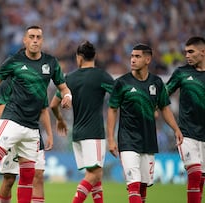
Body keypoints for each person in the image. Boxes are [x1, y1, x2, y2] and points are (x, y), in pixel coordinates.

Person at [0, 25, 72, 203]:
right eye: (32, 37)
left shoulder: (51, 63)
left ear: (42, 40)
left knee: (28, 177)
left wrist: (68, 95)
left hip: (32, 129)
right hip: (13, 120)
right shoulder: (14, 61)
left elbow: (63, 87)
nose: (35, 40)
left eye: (38, 37)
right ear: (25, 40)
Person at [107, 44, 183, 203]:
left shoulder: (156, 83)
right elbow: (112, 109)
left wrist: (176, 129)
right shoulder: (122, 82)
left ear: (148, 59)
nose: (133, 59)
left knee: (142, 187)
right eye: (132, 56)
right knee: (133, 185)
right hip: (127, 141)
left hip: (148, 141)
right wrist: (111, 139)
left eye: (137, 56)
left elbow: (164, 108)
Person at [50, 41, 114, 203]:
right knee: (96, 174)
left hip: (77, 133)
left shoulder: (70, 78)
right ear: (95, 56)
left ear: (79, 57)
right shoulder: (101, 76)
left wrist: (60, 120)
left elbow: (53, 105)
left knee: (94, 174)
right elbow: (119, 95)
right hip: (94, 133)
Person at [0, 78, 53, 203]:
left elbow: (44, 110)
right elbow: (1, 111)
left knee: (38, 176)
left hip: (33, 134)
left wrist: (49, 134)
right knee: (9, 179)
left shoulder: (38, 84)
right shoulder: (7, 83)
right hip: (13, 134)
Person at [166, 36, 205, 203]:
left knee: (201, 178)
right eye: (185, 52)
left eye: (191, 52)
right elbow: (163, 95)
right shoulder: (181, 73)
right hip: (186, 133)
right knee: (195, 174)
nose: (187, 55)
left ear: (203, 52)